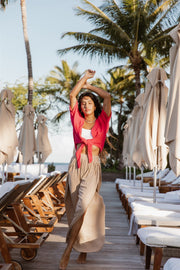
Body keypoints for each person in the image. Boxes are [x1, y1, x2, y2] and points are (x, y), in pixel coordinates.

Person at [59, 69, 111, 270]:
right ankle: (82, 249)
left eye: (89, 102)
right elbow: (72, 95)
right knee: (75, 208)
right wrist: (83, 79)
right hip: (76, 165)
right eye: (83, 103)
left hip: (93, 165)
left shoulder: (103, 119)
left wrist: (89, 86)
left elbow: (107, 96)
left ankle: (67, 252)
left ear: (95, 105)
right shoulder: (77, 120)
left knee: (84, 205)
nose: (85, 105)